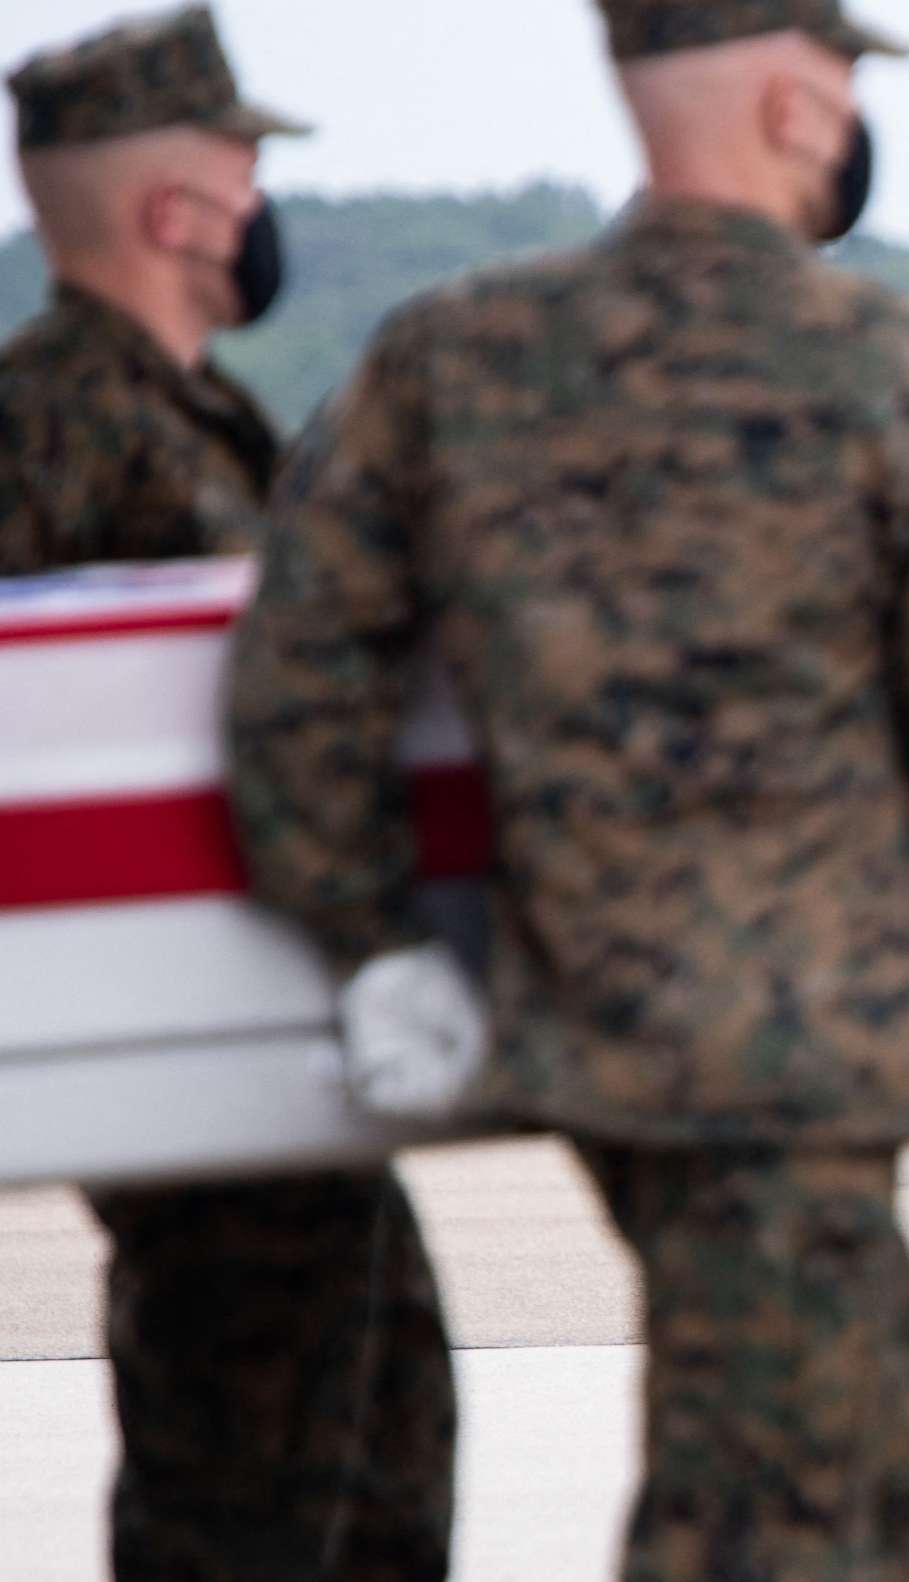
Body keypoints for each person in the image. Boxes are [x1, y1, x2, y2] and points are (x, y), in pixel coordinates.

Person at [221, 1, 909, 1574]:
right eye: (835, 79)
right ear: (789, 103)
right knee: (764, 1499)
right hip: (820, 1023)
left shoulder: (455, 355)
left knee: (906, 1447)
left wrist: (379, 940)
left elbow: (299, 675)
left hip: (601, 1010)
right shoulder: (891, 363)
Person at [0, 11, 458, 1577]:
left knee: (375, 1444)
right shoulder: (54, 418)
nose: (263, 207)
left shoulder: (190, 413)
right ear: (169, 209)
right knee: (240, 1497)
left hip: (265, 1037)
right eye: (243, 171)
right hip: (181, 1054)